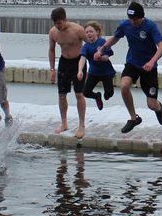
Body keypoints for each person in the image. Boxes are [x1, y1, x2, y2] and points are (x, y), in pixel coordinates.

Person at [99, 1, 162, 133]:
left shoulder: (150, 26)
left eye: (135, 19)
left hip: (149, 67)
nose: (133, 22)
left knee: (151, 105)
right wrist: (102, 49)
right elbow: (114, 38)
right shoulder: (125, 25)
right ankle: (133, 118)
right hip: (132, 63)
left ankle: (159, 107)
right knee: (124, 86)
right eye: (131, 19)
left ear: (141, 17)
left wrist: (152, 61)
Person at [48, 7, 88, 138]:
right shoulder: (53, 32)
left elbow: (90, 45)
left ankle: (82, 125)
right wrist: (52, 69)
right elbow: (52, 50)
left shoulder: (77, 30)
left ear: (65, 20)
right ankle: (64, 123)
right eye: (55, 23)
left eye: (59, 23)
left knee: (79, 94)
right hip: (64, 62)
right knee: (61, 95)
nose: (57, 26)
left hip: (78, 62)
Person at [79, 21, 117, 111]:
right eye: (87, 32)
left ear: (97, 32)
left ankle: (106, 94)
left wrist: (100, 57)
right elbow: (82, 58)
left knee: (109, 94)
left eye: (91, 31)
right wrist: (80, 70)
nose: (89, 34)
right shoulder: (86, 46)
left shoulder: (102, 42)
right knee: (86, 92)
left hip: (106, 72)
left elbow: (107, 57)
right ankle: (97, 96)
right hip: (94, 73)